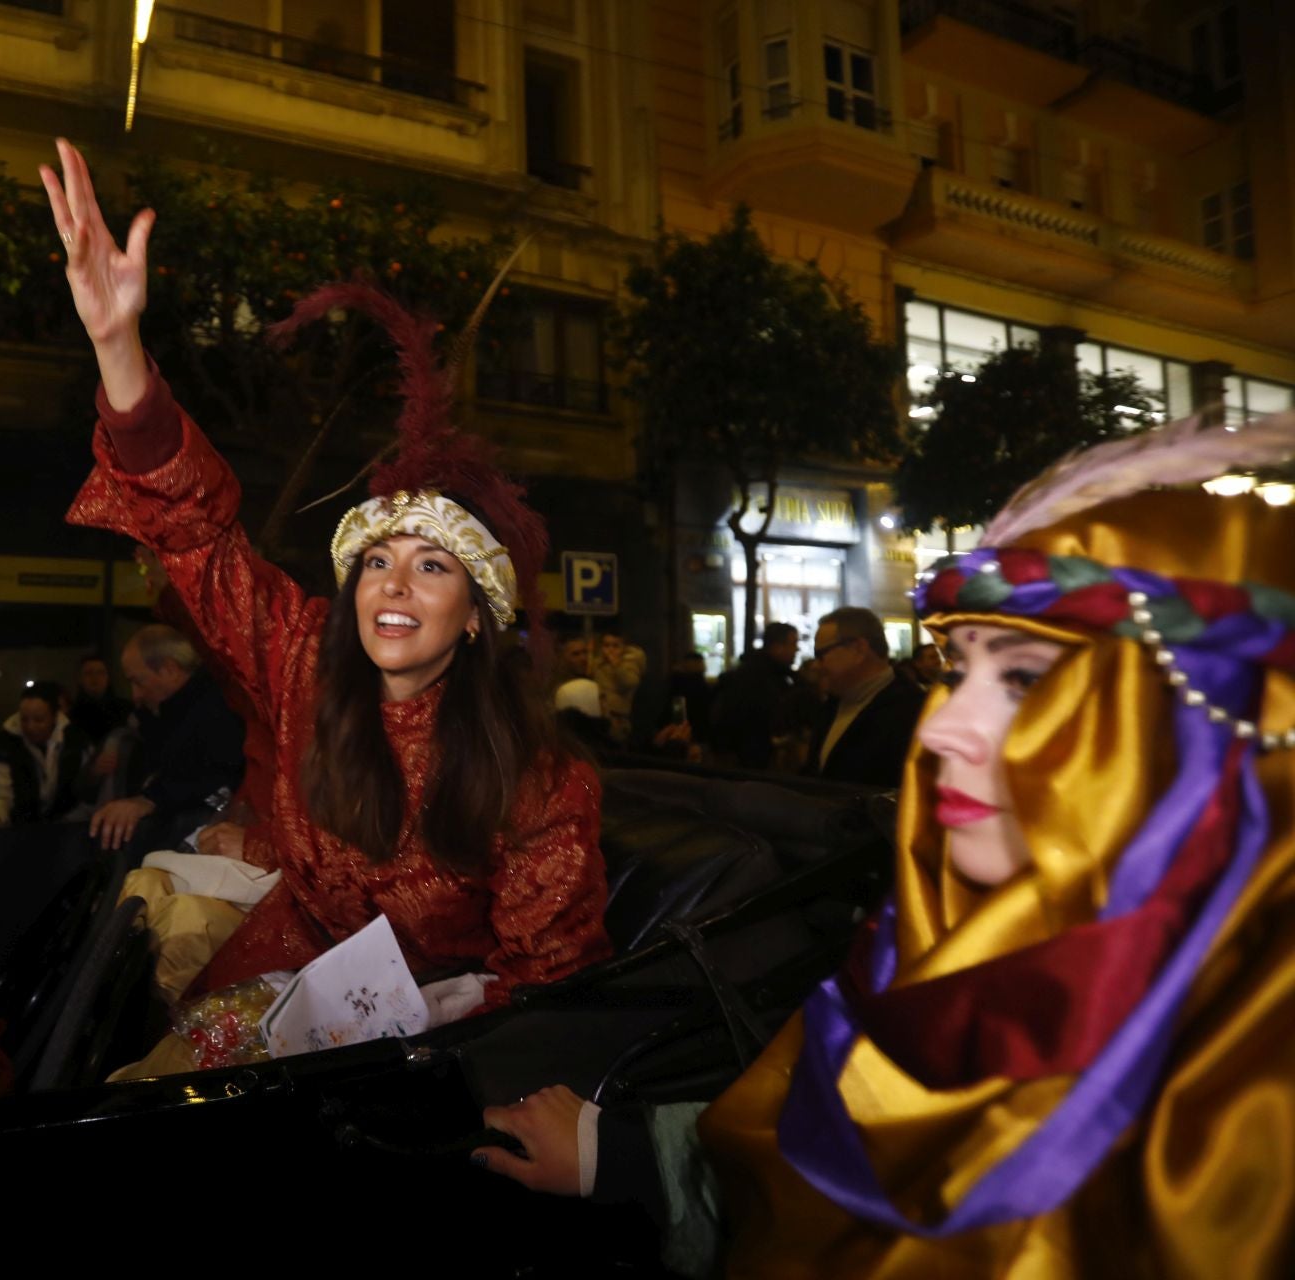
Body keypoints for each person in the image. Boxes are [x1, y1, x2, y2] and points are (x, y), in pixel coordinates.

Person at [475, 413, 1295, 1277]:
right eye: (959, 670)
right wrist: (628, 1156)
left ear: (1198, 730)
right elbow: (827, 1137)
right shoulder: (925, 949)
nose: (947, 730)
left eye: (1023, 678)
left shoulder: (1247, 1095)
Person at [43, 138, 609, 1007]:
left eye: (430, 566)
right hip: (278, 974)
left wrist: (458, 1004)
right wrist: (118, 347)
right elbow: (195, 535)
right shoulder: (302, 658)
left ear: (473, 618)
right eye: (376, 560)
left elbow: (554, 986)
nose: (393, 582)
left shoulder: (540, 780)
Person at [85, 624, 245, 854]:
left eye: (138, 681)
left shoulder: (218, 711)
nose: (135, 695)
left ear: (169, 670)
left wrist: (150, 800)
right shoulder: (170, 713)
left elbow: (213, 776)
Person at [804, 607, 925, 788]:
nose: (816, 666)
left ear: (858, 649)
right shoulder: (832, 705)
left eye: (821, 655)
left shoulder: (916, 713)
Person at [0, 681, 95, 828]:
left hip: (68, 827)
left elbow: (86, 792)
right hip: (20, 827)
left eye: (39, 720)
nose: (30, 726)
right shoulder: (6, 741)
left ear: (54, 717)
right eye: (24, 719)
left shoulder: (77, 741)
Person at [707, 622, 799, 770]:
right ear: (777, 647)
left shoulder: (765, 673)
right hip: (750, 761)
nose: (797, 649)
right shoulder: (760, 678)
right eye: (793, 644)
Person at [589, 632, 646, 744]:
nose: (610, 650)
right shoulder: (600, 662)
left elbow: (629, 683)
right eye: (606, 645)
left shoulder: (629, 663)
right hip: (600, 715)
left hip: (618, 718)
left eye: (615, 646)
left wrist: (617, 666)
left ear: (623, 647)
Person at [66, 653, 132, 745]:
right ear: (80, 679)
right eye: (89, 673)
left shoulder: (125, 708)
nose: (95, 678)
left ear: (108, 677)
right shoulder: (72, 714)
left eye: (100, 673)